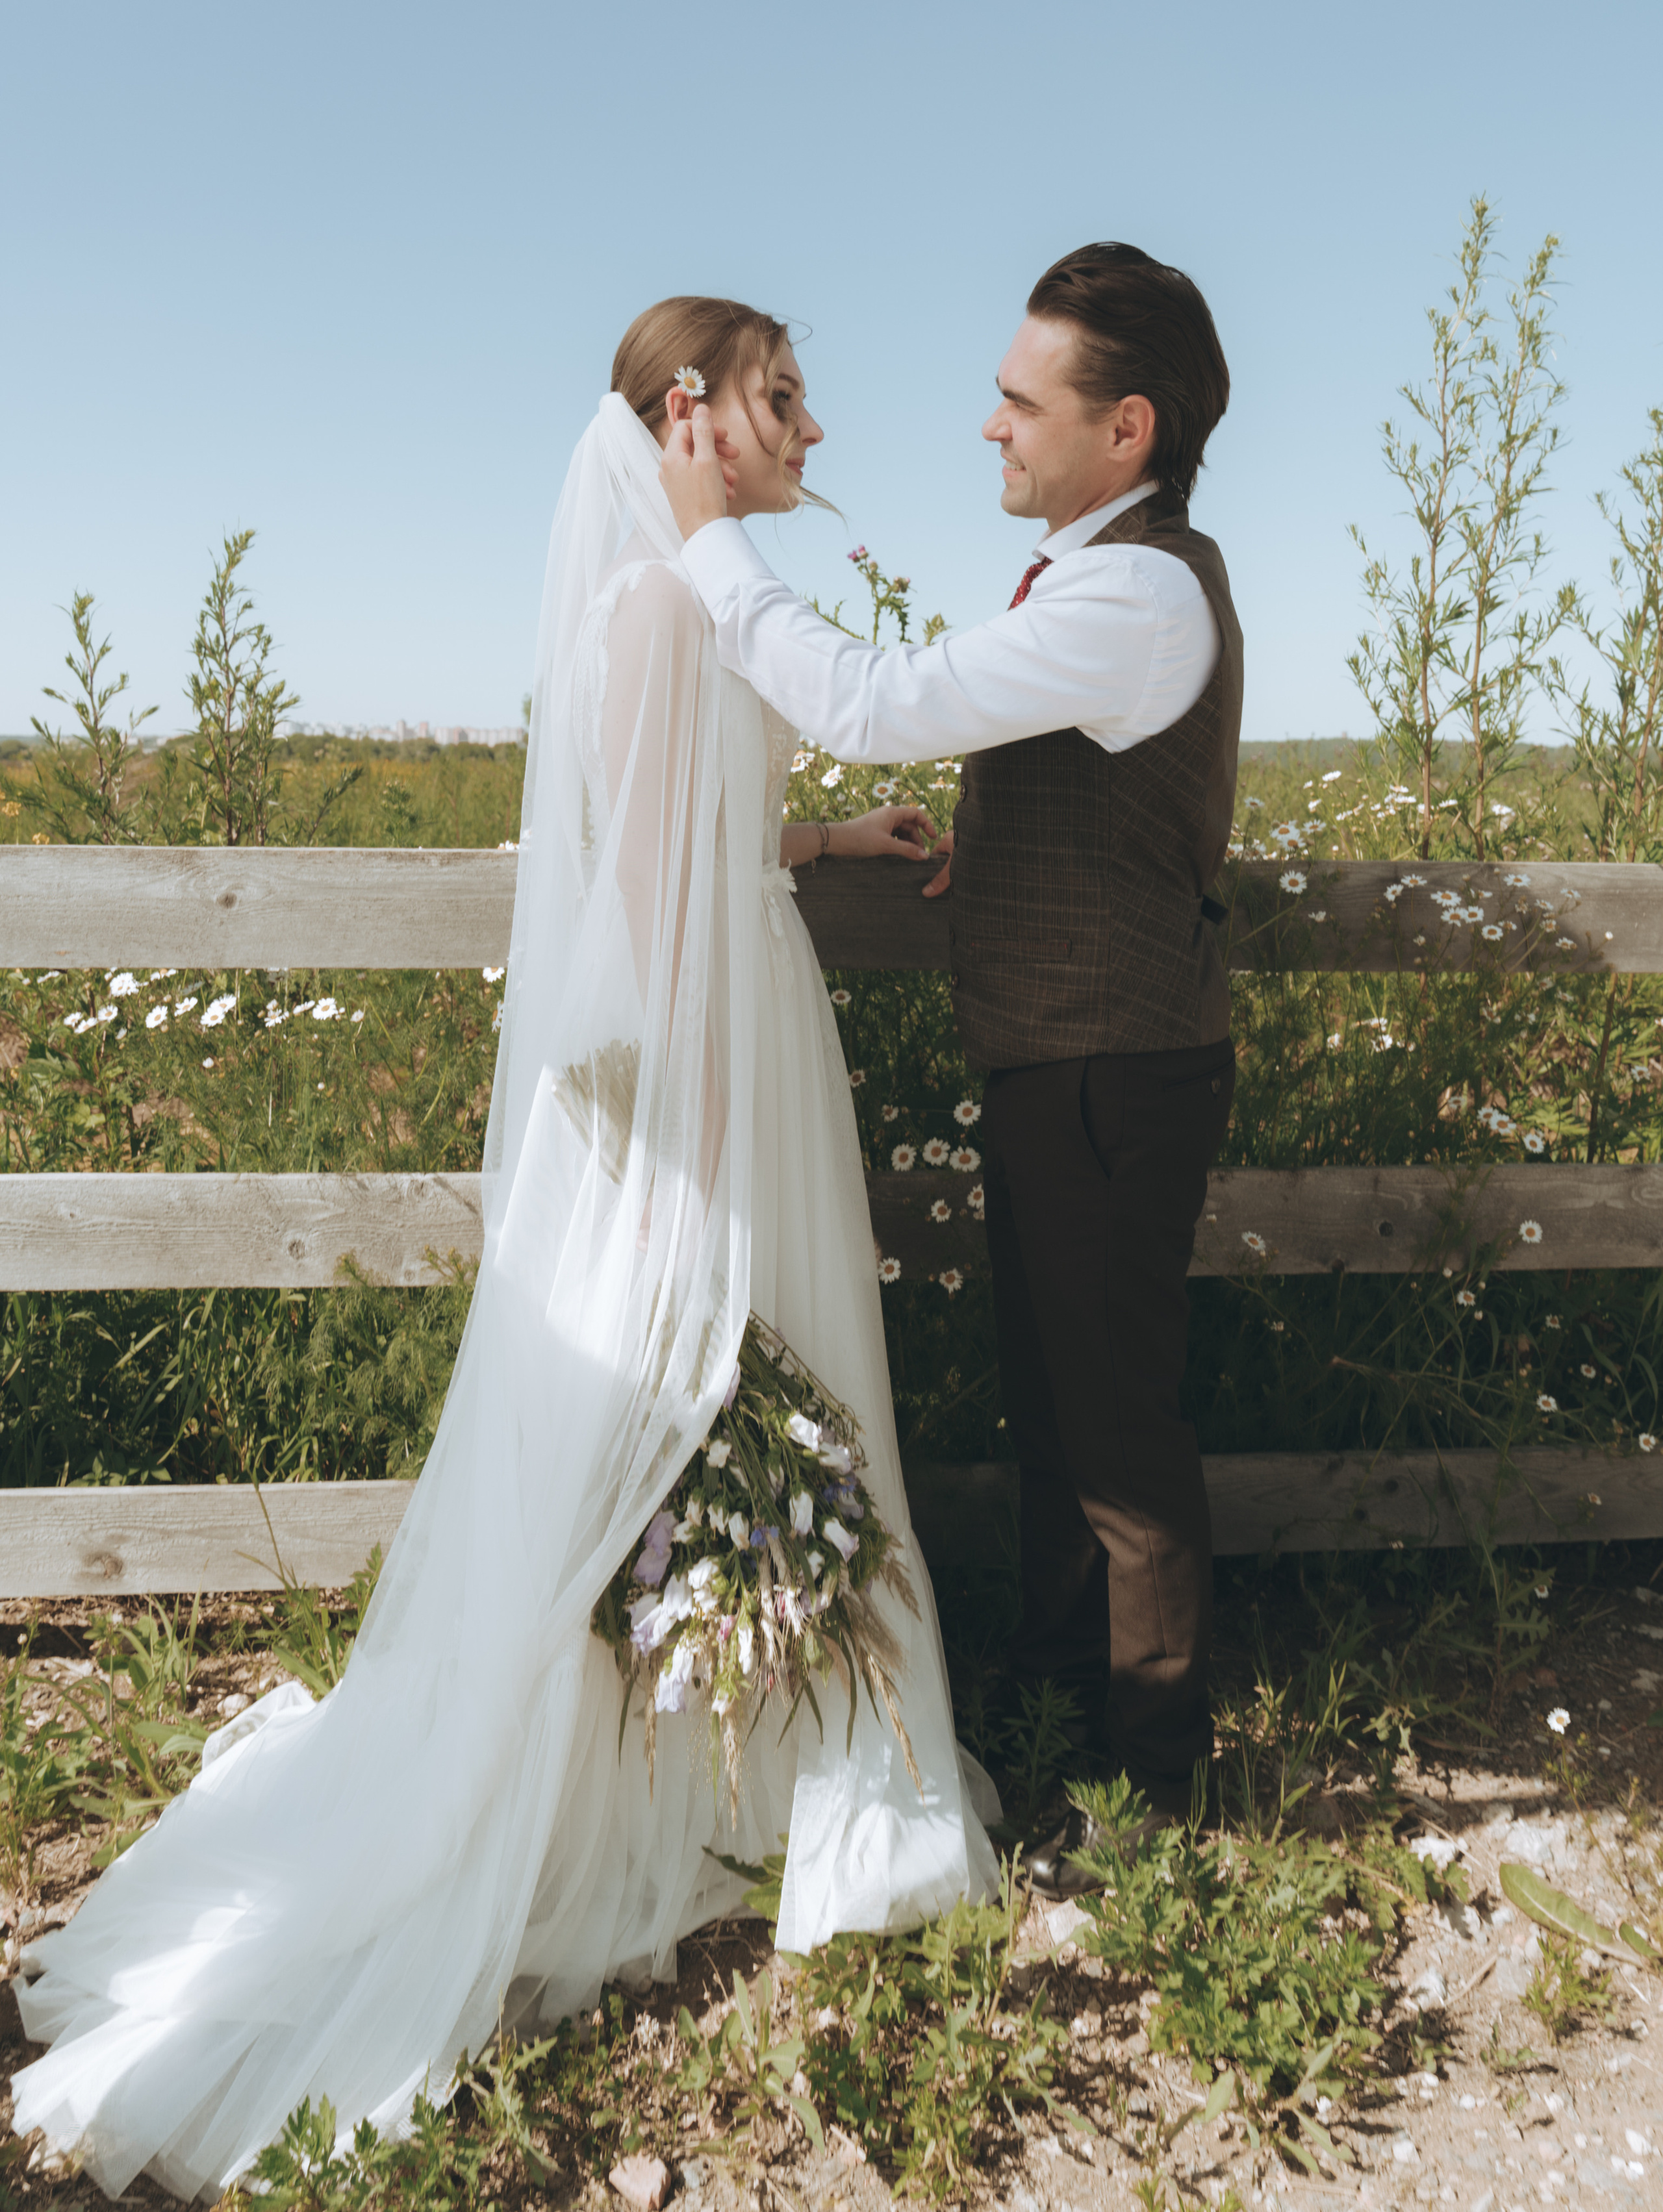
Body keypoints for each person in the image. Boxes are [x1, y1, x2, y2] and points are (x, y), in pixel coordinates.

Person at [10, 296, 998, 2198]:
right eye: (785, 391)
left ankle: (731, 1757)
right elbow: (632, 899)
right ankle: (640, 1785)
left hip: (735, 1026)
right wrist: (702, 1148)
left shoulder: (688, 604)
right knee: (687, 1379)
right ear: (692, 415)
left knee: (741, 1399)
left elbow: (691, 840)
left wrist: (820, 846)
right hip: (687, 1082)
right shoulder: (651, 606)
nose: (816, 420)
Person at [661, 244, 1241, 1897]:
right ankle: (1070, 1705)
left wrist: (710, 550)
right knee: (1057, 1399)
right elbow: (1070, 778)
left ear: (1122, 429)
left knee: (1114, 1424)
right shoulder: (1098, 577)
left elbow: (876, 695)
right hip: (1075, 1050)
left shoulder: (1136, 590)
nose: (986, 423)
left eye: (1015, 397)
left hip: (1109, 1063)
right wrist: (985, 859)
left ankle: (1153, 1788)